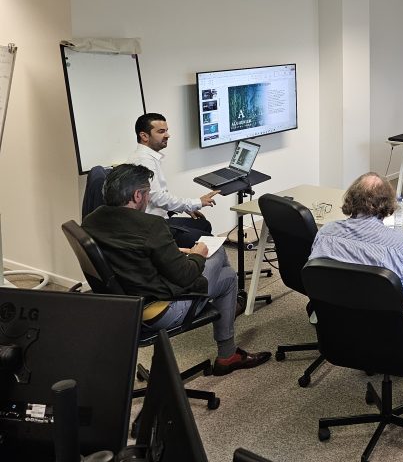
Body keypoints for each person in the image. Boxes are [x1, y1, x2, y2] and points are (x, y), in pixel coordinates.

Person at [82, 164, 271, 375]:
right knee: (218, 254)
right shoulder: (151, 225)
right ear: (137, 195)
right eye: (147, 193)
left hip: (122, 305)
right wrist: (198, 254)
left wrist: (172, 252)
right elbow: (185, 276)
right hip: (159, 310)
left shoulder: (92, 220)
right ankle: (226, 351)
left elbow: (129, 252)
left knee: (227, 278)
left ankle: (228, 348)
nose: (148, 198)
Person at [308, 173, 403, 383]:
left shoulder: (325, 234)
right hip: (395, 340)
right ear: (388, 205)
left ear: (351, 198)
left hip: (340, 331)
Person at [128, 113, 218, 248]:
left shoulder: (147, 157)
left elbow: (158, 196)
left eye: (166, 131)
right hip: (151, 226)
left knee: (204, 225)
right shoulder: (143, 160)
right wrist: (195, 203)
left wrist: (186, 207)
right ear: (144, 136)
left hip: (158, 218)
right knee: (208, 240)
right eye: (161, 132)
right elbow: (157, 198)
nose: (167, 135)